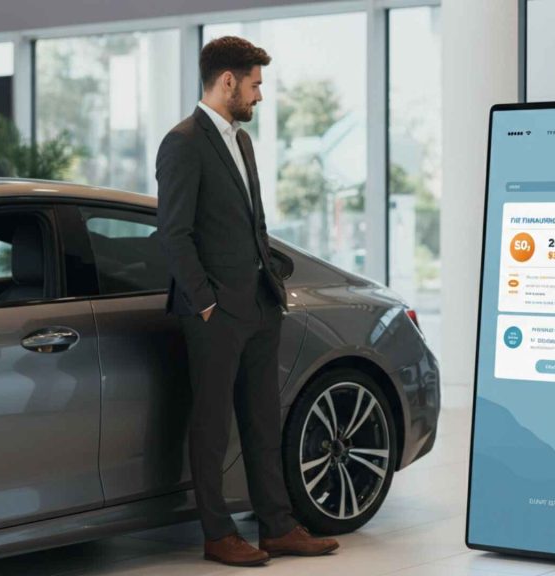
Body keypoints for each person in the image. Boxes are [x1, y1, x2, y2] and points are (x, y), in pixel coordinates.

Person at [156, 35, 339, 568]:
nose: (260, 95)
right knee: (211, 426)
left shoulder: (242, 142)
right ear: (228, 81)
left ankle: (278, 527)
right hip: (214, 312)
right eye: (255, 84)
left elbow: (252, 223)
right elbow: (174, 233)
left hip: (258, 303)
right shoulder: (183, 142)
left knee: (263, 420)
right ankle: (217, 535)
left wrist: (271, 281)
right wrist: (207, 302)